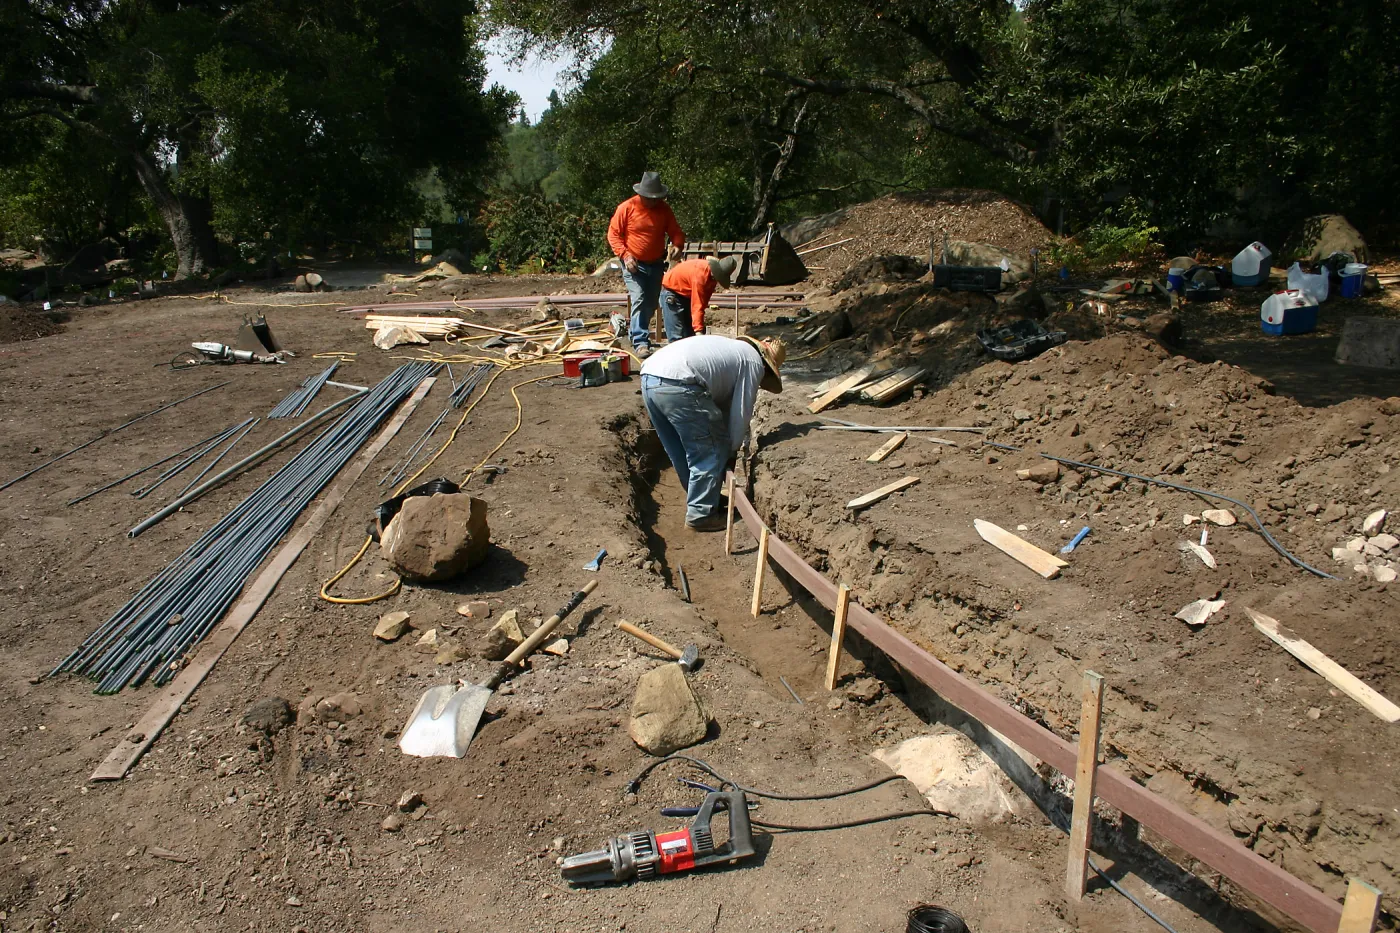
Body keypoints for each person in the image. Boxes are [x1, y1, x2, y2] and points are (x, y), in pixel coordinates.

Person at [639, 334, 785, 531]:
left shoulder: (732, 352)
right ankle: (701, 514)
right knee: (711, 450)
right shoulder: (752, 362)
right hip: (682, 383)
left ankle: (703, 497)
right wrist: (731, 450)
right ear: (767, 366)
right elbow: (741, 411)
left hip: (650, 377)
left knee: (680, 447)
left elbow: (723, 407)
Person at [607, 171, 685, 359]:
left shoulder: (664, 210)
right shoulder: (627, 208)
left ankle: (636, 331)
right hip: (633, 264)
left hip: (656, 264)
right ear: (641, 194)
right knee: (640, 298)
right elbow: (613, 234)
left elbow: (676, 232)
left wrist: (677, 245)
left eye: (656, 198)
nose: (652, 202)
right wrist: (625, 255)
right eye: (649, 198)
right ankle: (641, 342)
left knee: (651, 303)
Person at [659, 256, 736, 341]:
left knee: (689, 336)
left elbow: (703, 303)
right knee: (677, 337)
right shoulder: (700, 275)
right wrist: (698, 331)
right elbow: (697, 304)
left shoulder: (712, 278)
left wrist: (698, 327)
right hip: (671, 291)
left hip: (685, 293)